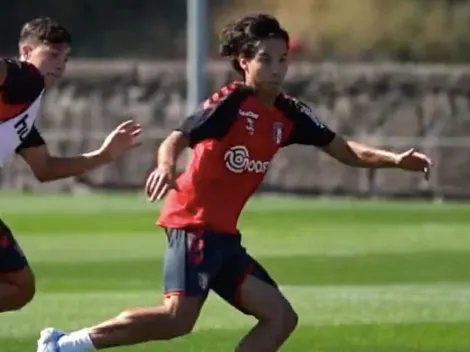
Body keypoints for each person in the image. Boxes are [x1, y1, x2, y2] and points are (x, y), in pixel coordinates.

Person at [37, 13, 432, 352]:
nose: (277, 68)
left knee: (280, 317)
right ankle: (65, 345)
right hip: (193, 224)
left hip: (224, 237)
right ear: (244, 62)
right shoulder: (231, 102)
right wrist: (165, 165)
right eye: (266, 59)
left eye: (283, 60)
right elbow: (178, 137)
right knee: (177, 319)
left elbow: (344, 149)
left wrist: (395, 159)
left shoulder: (290, 114)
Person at [0, 18, 141, 314]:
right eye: (52, 55)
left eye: (65, 58)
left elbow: (45, 169)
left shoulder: (25, 106)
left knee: (19, 287)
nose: (61, 65)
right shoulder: (22, 78)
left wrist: (103, 155)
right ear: (26, 50)